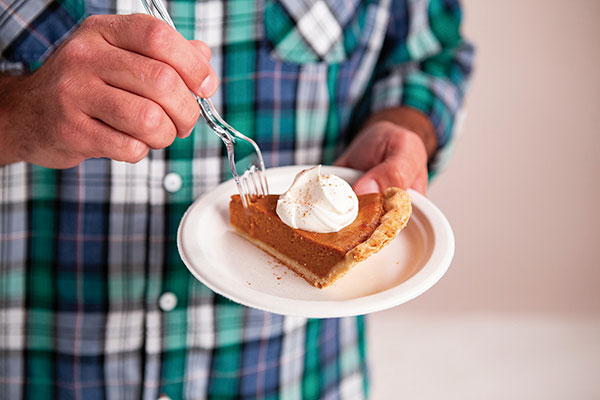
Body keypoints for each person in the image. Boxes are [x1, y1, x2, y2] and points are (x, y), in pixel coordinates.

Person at [0, 0, 473, 398]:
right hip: (39, 368)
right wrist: (17, 114)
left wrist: (404, 125)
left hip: (298, 373)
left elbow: (430, 54)